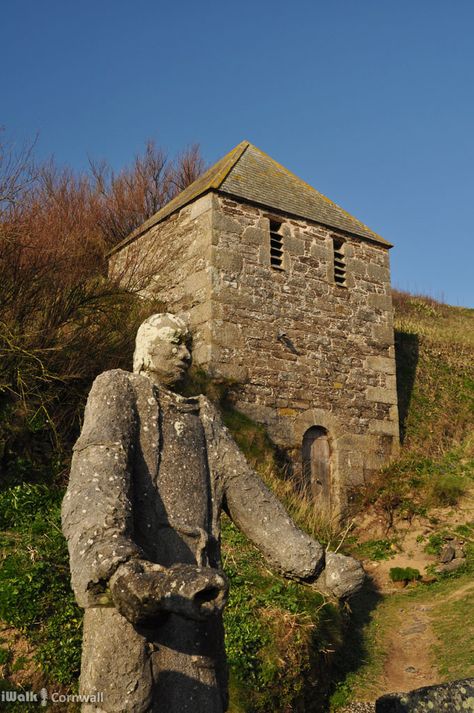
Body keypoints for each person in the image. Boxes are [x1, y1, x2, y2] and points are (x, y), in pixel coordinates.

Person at [62, 313, 364, 713]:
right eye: (174, 342)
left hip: (198, 603)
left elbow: (248, 494)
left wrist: (316, 566)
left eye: (188, 344)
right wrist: (117, 568)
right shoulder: (119, 389)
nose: (185, 353)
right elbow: (95, 478)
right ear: (146, 347)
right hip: (130, 602)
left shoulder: (203, 414)